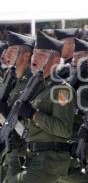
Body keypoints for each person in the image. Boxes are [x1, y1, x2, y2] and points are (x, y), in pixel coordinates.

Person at [8, 31, 75, 183]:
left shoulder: (61, 90)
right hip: (33, 156)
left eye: (42, 54)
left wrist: (33, 114)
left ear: (56, 61)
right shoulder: (37, 87)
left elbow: (64, 130)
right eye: (35, 53)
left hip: (51, 159)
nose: (35, 57)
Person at [57, 38, 88, 183]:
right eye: (74, 56)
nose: (74, 60)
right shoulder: (66, 79)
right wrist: (73, 81)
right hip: (64, 134)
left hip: (84, 137)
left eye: (79, 57)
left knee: (63, 169)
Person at [0, 31, 35, 183]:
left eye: (12, 51)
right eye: (7, 50)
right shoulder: (14, 79)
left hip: (22, 148)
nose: (7, 54)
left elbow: (29, 123)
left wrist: (6, 113)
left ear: (26, 56)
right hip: (9, 144)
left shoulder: (32, 82)